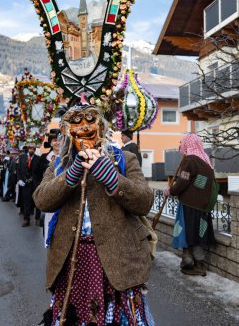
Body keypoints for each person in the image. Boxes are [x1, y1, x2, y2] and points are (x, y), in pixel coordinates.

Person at [33, 104, 154, 326]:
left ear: (101, 126)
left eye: (90, 121)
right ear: (67, 131)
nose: (83, 127)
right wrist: (70, 175)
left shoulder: (124, 159)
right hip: (72, 260)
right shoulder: (59, 164)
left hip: (118, 260)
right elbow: (41, 200)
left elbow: (144, 202)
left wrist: (111, 177)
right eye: (76, 123)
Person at [164, 133, 215, 277]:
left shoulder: (189, 160)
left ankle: (193, 263)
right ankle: (195, 262)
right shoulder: (206, 161)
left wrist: (171, 190)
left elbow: (183, 182)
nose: (181, 146)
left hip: (189, 205)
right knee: (197, 234)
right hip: (203, 207)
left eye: (183, 143)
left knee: (187, 233)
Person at [36, 129, 61, 232]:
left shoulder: (69, 157)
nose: (58, 143)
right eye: (55, 140)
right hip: (48, 196)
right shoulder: (43, 158)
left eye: (60, 139)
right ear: (50, 142)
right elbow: (37, 177)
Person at [17, 142, 40, 227]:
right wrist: (19, 179)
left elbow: (40, 172)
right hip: (25, 183)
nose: (32, 150)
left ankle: (37, 218)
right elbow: (18, 169)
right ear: (28, 148)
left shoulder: (38, 158)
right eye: (30, 148)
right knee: (26, 201)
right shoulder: (22, 157)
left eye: (33, 149)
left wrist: (39, 182)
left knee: (37, 201)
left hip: (35, 183)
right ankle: (26, 219)